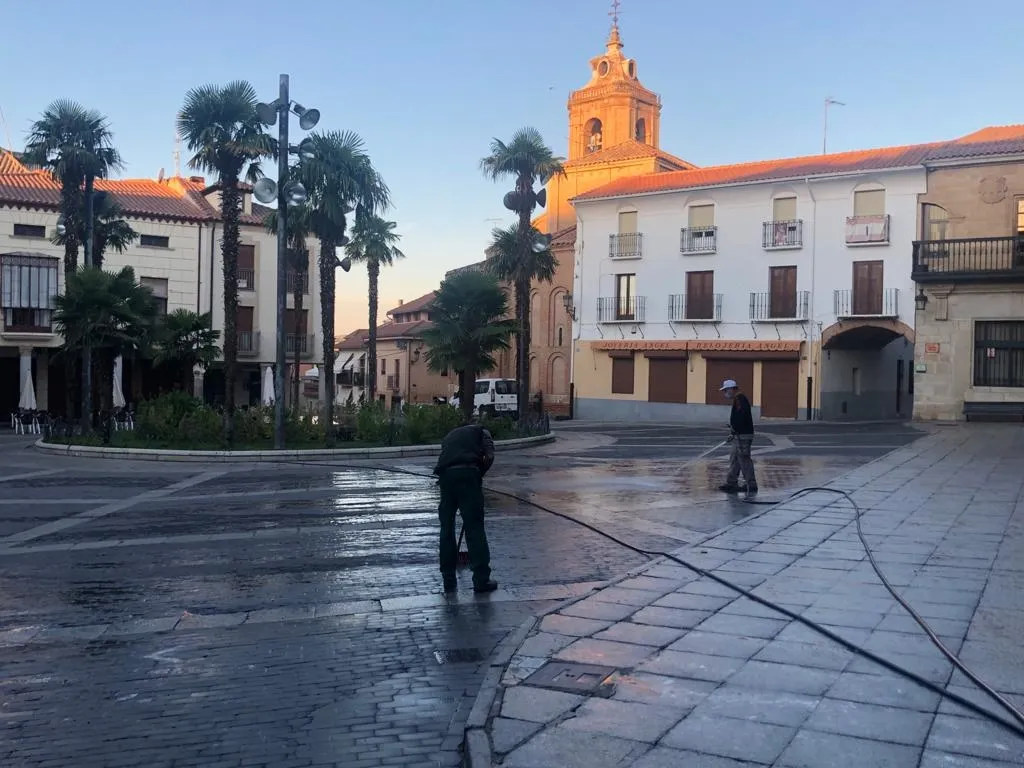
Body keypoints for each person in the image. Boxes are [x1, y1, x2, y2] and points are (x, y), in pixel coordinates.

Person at [433, 420, 498, 594]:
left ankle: (448, 579)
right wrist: (479, 474)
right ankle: (481, 579)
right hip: (468, 475)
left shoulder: (450, 435)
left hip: (446, 477)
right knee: (474, 528)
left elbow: (445, 457)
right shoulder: (482, 431)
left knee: (446, 528)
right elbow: (490, 456)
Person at [718, 378, 758, 496]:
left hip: (743, 436)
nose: (725, 393)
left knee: (744, 459)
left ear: (731, 389)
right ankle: (731, 483)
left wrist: (735, 428)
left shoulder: (740, 399)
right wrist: (733, 430)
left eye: (725, 390)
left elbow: (742, 416)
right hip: (739, 434)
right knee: (734, 458)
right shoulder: (737, 399)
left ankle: (750, 484)